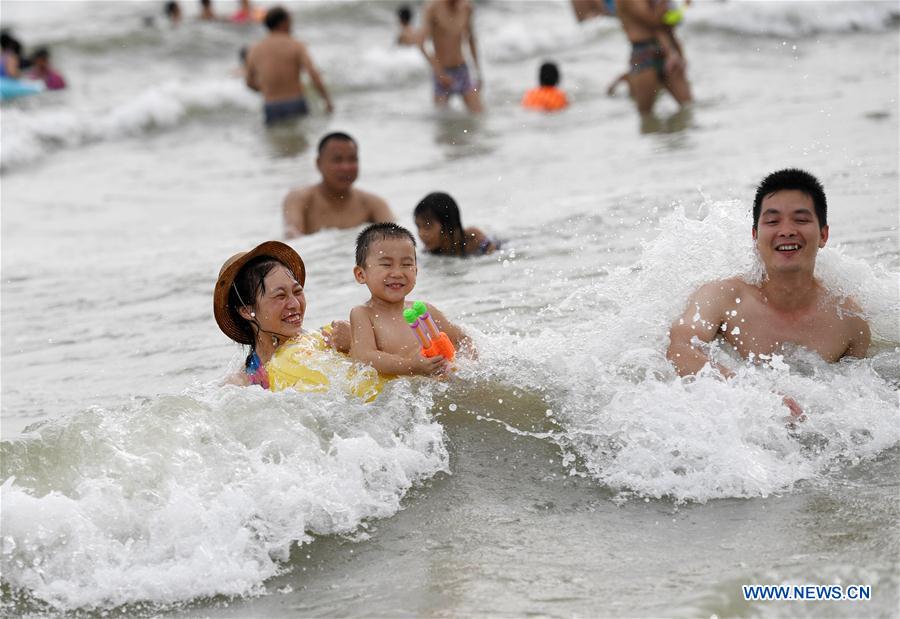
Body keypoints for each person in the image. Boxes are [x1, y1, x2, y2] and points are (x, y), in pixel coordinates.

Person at [666, 169, 871, 413]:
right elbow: (678, 348)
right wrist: (753, 396)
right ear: (755, 235)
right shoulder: (723, 297)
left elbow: (859, 403)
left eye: (801, 219)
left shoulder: (848, 321)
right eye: (772, 221)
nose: (786, 230)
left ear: (823, 235)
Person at [214, 240, 353, 387]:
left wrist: (355, 343)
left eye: (297, 291)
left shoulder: (334, 339)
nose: (295, 304)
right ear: (247, 311)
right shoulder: (244, 384)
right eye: (280, 296)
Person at [350, 223, 471, 376]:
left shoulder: (424, 311)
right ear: (361, 274)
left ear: (416, 270)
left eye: (406, 264)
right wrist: (410, 366)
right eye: (386, 264)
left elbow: (462, 339)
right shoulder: (363, 314)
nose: (397, 273)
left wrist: (469, 364)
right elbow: (365, 357)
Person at [282, 132, 395, 237]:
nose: (346, 167)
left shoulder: (373, 204)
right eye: (337, 160)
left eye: (352, 159)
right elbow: (293, 238)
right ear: (318, 163)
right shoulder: (300, 199)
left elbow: (396, 237)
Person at [245, 6, 334, 125]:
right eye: (290, 21)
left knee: (276, 142)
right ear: (283, 23)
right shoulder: (296, 45)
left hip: (271, 105)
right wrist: (326, 99)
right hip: (295, 101)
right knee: (300, 141)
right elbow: (313, 74)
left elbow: (249, 82)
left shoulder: (255, 49)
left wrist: (267, 89)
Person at [616, 0, 691, 116]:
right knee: (646, 116)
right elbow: (653, 21)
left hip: (668, 51)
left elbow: (669, 24)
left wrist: (676, 53)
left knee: (688, 108)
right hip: (643, 52)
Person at [419, 0, 483, 113]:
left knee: (479, 115)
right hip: (441, 73)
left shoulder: (467, 8)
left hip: (462, 70)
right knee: (441, 121)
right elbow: (423, 44)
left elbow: (471, 40)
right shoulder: (432, 8)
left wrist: (478, 73)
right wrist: (439, 73)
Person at [413, 192, 498, 256]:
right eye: (418, 227)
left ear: (449, 224)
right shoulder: (429, 252)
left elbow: (493, 253)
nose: (421, 233)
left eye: (427, 227)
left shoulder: (473, 239)